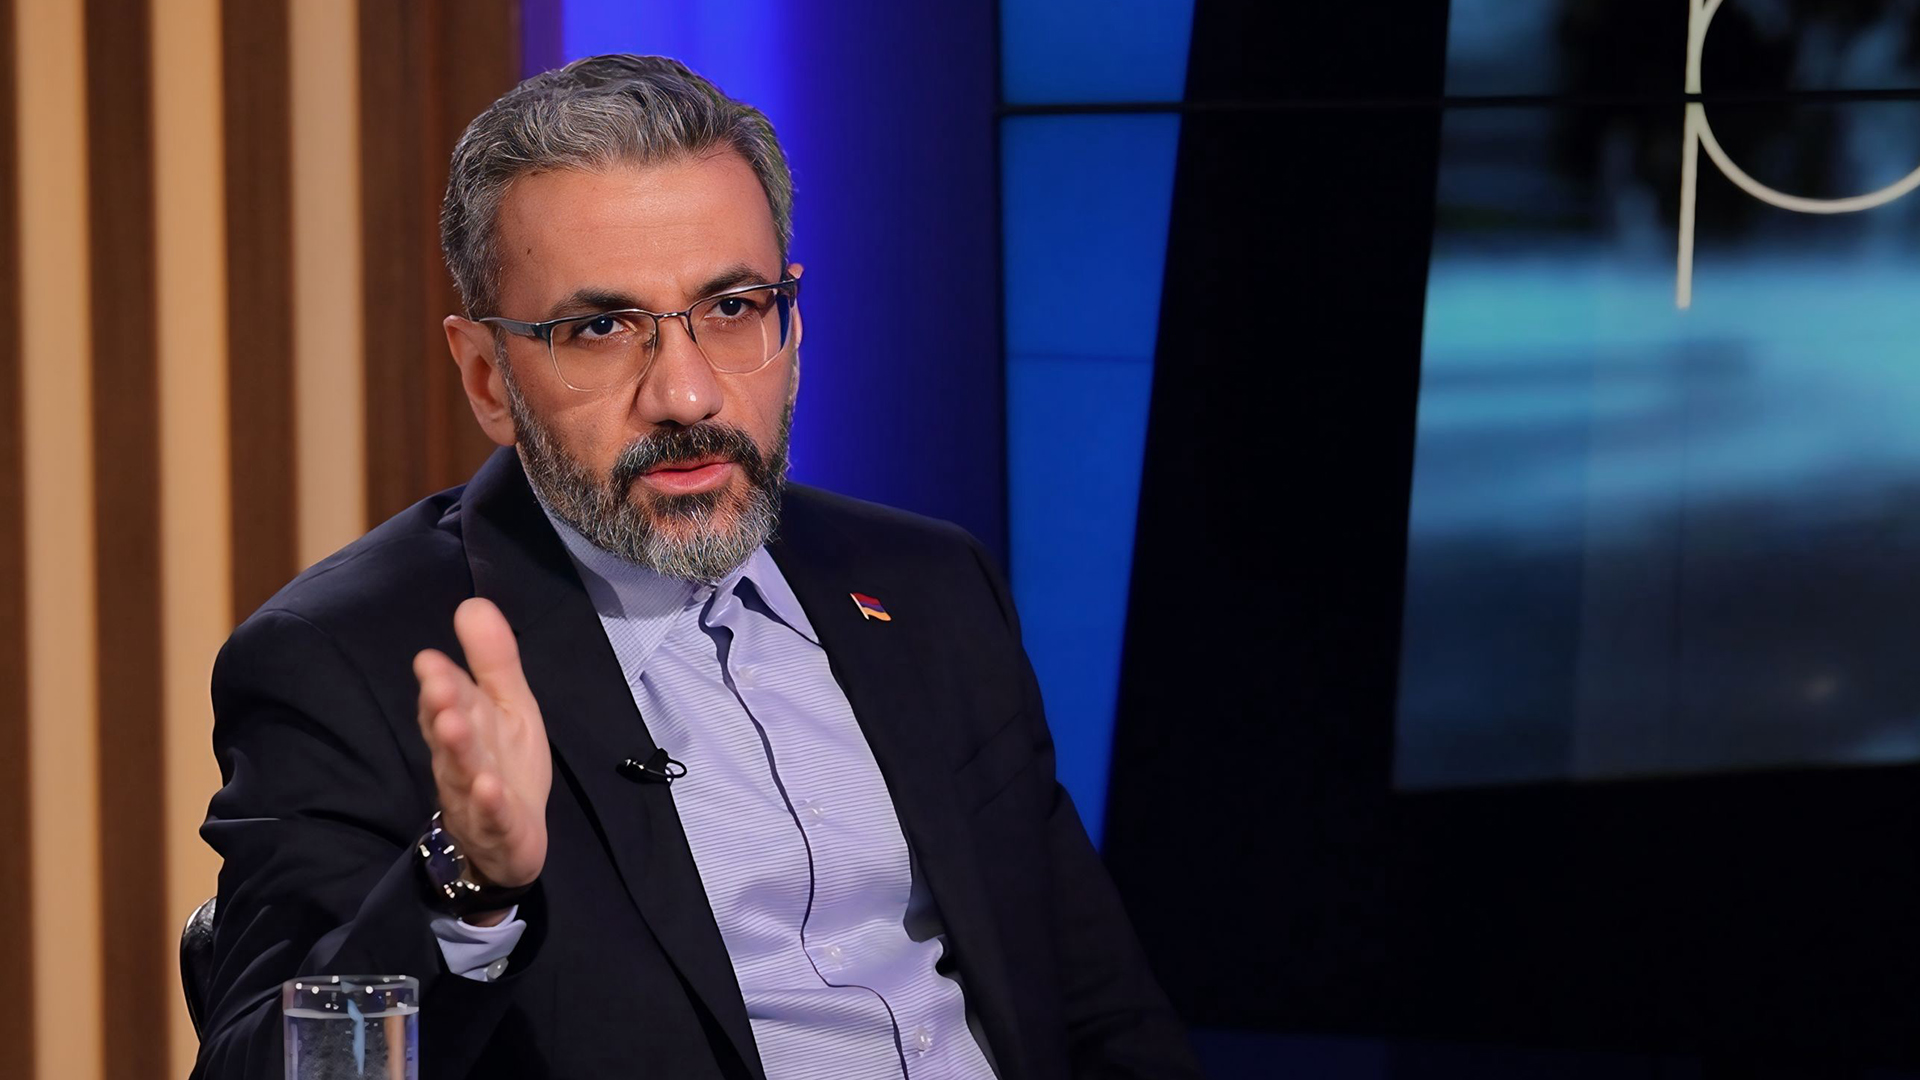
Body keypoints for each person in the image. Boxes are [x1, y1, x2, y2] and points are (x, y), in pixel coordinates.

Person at [191, 54, 1199, 1080]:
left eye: (730, 308)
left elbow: (1102, 1013)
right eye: (601, 328)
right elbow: (262, 1064)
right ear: (488, 377)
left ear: (791, 322)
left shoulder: (932, 585)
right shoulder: (346, 660)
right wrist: (467, 887)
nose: (686, 395)